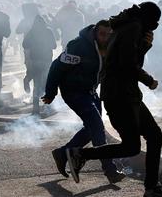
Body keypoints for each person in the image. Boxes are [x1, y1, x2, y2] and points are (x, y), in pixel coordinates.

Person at [66, 2, 162, 197]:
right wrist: (149, 80)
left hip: (125, 94)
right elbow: (128, 64)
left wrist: (144, 46)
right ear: (148, 19)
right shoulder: (134, 27)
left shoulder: (126, 26)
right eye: (153, 23)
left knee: (153, 135)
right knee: (132, 146)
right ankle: (80, 154)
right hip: (121, 95)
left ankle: (152, 187)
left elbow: (127, 59)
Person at [42, 20, 126, 184]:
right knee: (97, 128)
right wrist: (51, 93)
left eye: (108, 35)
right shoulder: (79, 46)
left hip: (91, 92)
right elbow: (56, 67)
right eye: (102, 34)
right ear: (95, 32)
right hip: (73, 91)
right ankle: (110, 170)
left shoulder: (110, 46)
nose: (105, 38)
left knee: (91, 128)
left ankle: (62, 153)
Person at [22, 15, 57, 115]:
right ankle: (48, 108)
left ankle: (35, 109)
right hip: (46, 61)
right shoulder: (48, 31)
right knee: (46, 85)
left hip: (35, 61)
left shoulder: (31, 32)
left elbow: (24, 44)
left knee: (36, 85)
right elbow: (54, 46)